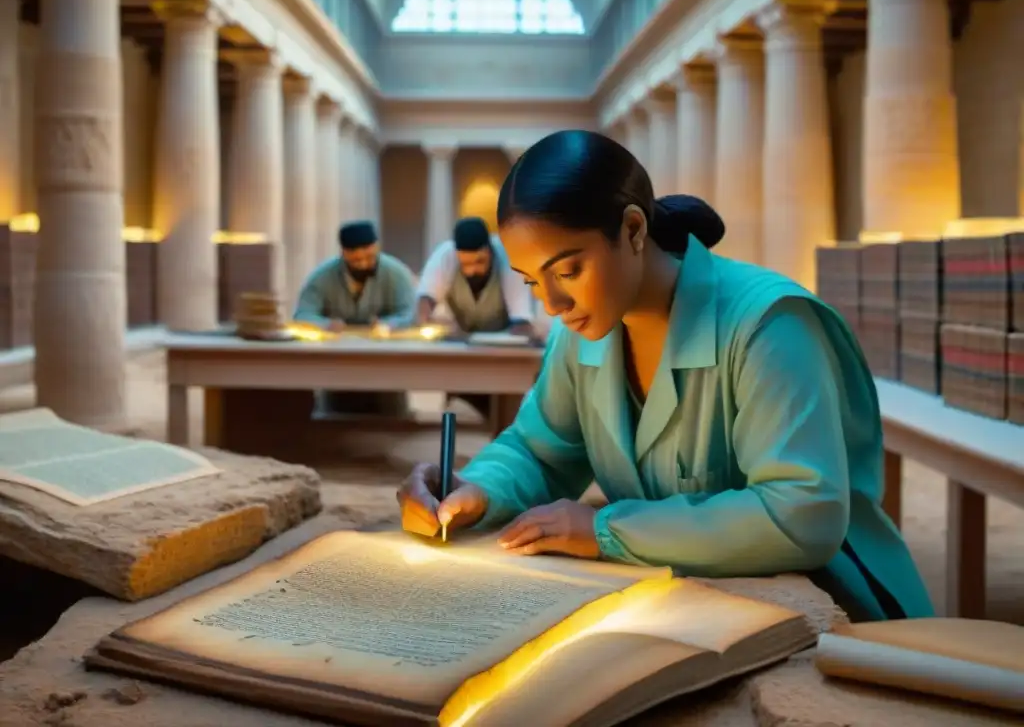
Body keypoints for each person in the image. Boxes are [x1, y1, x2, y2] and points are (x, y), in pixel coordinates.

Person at [397, 129, 935, 622]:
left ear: (633, 229)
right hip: (681, 603)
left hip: (829, 609)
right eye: (532, 281)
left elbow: (801, 515)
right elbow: (541, 450)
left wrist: (606, 530)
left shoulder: (770, 326)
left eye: (566, 270)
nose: (554, 302)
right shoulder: (581, 331)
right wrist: (478, 491)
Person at [416, 215, 539, 419]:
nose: (472, 270)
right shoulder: (445, 254)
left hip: (503, 357)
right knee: (459, 412)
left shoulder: (510, 258)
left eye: (479, 261)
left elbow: (522, 324)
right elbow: (423, 305)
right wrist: (432, 321)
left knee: (508, 418)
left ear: (490, 249)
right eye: (465, 264)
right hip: (461, 355)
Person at [294, 220, 416, 416]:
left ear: (377, 248)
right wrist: (324, 325)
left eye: (369, 257)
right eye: (355, 261)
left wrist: (390, 324)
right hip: (337, 362)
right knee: (335, 416)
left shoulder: (397, 273)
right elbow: (302, 315)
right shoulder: (322, 276)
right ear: (343, 254)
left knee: (391, 416)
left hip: (386, 361)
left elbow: (411, 313)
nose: (363, 264)